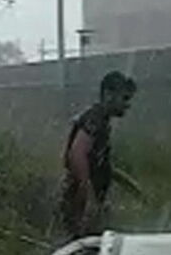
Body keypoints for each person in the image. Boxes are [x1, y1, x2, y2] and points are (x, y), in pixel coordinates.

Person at [59, 70, 143, 239]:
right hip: (79, 202)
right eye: (125, 98)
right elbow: (77, 154)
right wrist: (87, 193)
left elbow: (98, 163)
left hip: (87, 200)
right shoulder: (95, 119)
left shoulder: (101, 120)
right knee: (83, 243)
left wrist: (129, 184)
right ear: (108, 95)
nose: (127, 105)